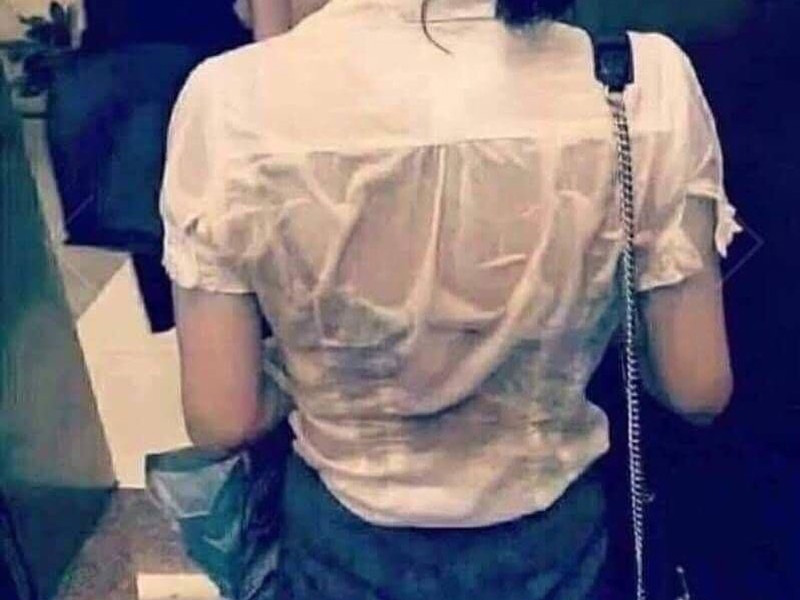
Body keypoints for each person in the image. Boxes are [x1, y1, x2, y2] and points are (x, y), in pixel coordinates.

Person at [159, 0, 740, 597]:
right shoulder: (639, 81)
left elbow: (222, 417)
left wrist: (319, 374)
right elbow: (697, 388)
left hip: (342, 547)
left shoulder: (229, 101)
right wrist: (572, 324)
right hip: (555, 549)